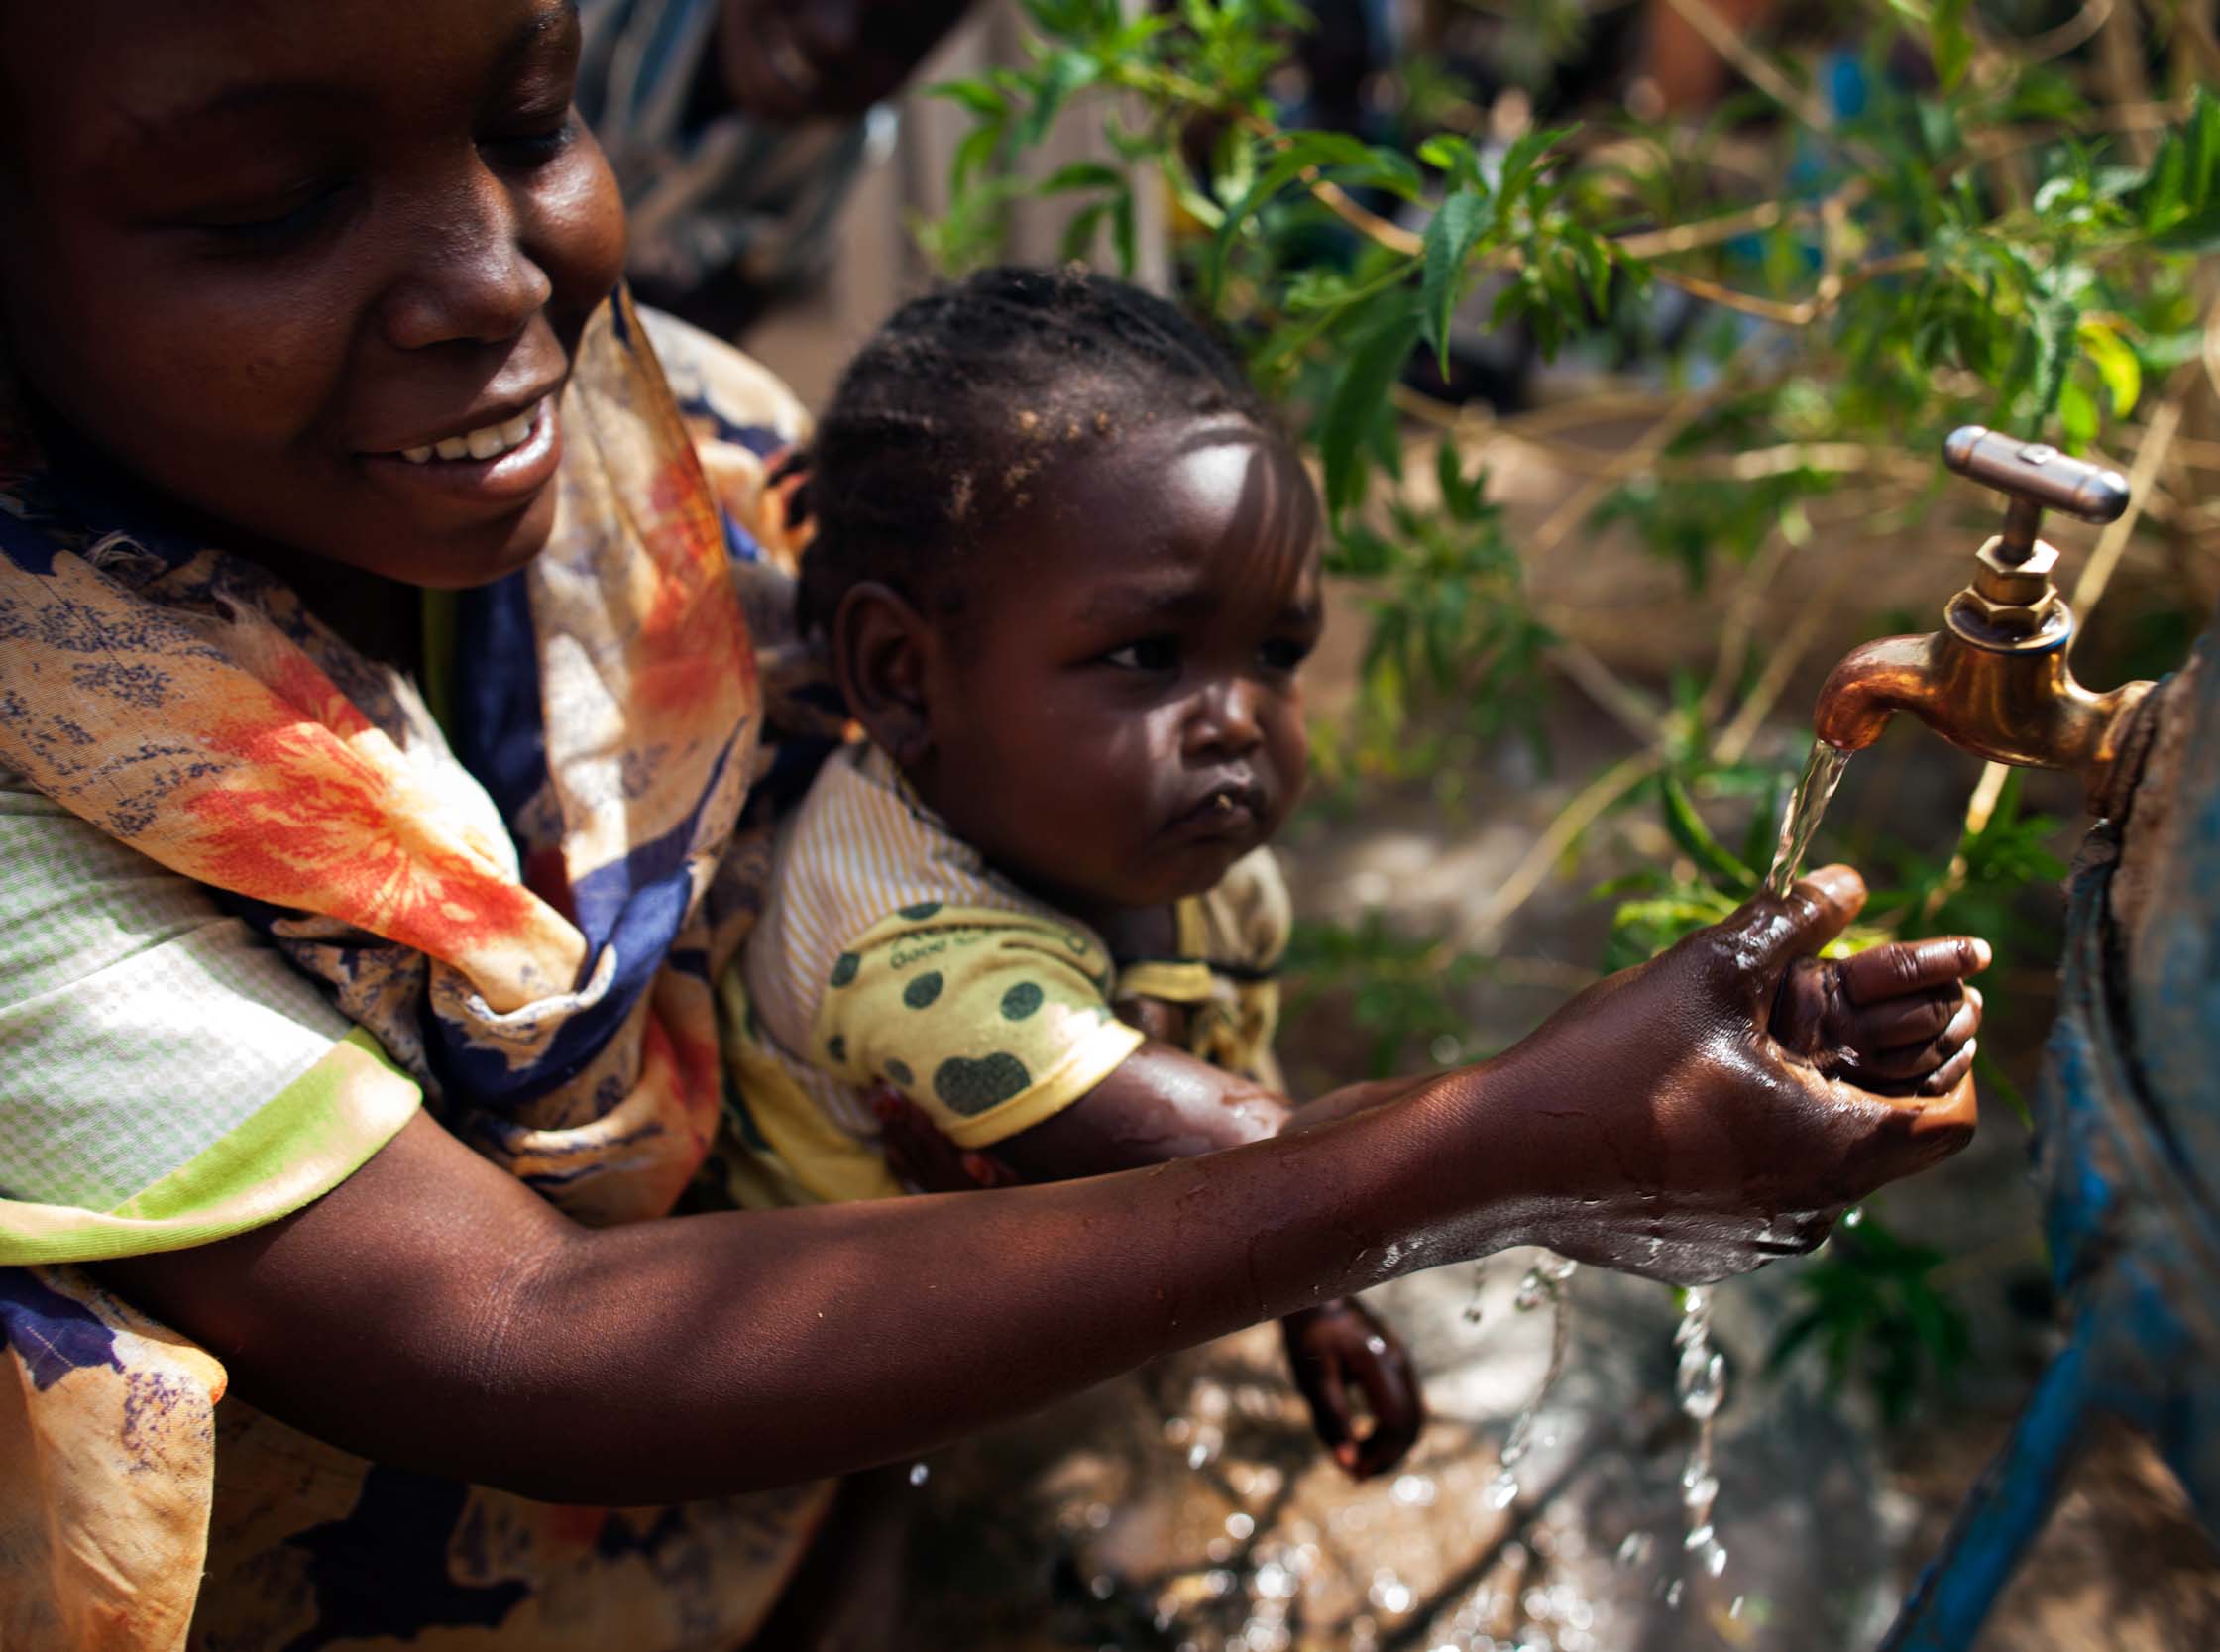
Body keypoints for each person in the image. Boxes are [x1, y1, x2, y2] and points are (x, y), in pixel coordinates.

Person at [0, 2, 1983, 1647]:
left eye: (530, 122)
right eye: (272, 203)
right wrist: (1496, 1144)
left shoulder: (650, 447)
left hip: (746, 1438)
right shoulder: (33, 829)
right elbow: (511, 1325)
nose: (495, 273)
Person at [723, 265, 1985, 1485]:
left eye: (1275, 651)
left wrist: (1305, 1305)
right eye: (1146, 653)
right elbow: (1255, 1155)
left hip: (992, 1284)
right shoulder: (907, 953)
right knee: (860, 1530)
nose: (1233, 719)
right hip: (794, 1382)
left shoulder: (1156, 840)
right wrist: (1597, 1113)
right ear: (900, 676)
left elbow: (1238, 1120)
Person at [577, 0, 979, 335]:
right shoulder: (565, 18)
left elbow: (734, 303)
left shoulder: (837, 148)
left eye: (895, 32)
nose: (834, 38)